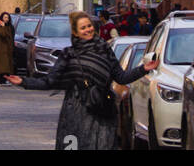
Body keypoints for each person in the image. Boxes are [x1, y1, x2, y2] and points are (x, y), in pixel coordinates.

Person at [8, 10, 157, 150]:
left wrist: (143, 68)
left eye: (89, 26)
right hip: (76, 113)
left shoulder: (104, 49)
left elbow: (121, 77)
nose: (88, 30)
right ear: (75, 32)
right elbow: (49, 81)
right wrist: (23, 82)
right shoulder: (69, 54)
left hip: (103, 112)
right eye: (83, 27)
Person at [0, 12, 15, 84]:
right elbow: (3, 34)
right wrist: (3, 26)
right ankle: (2, 80)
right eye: (5, 17)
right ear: (2, 18)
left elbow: (11, 37)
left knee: (8, 65)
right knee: (2, 65)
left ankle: (7, 79)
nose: (6, 19)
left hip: (9, 48)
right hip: (1, 49)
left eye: (7, 17)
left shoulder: (10, 26)